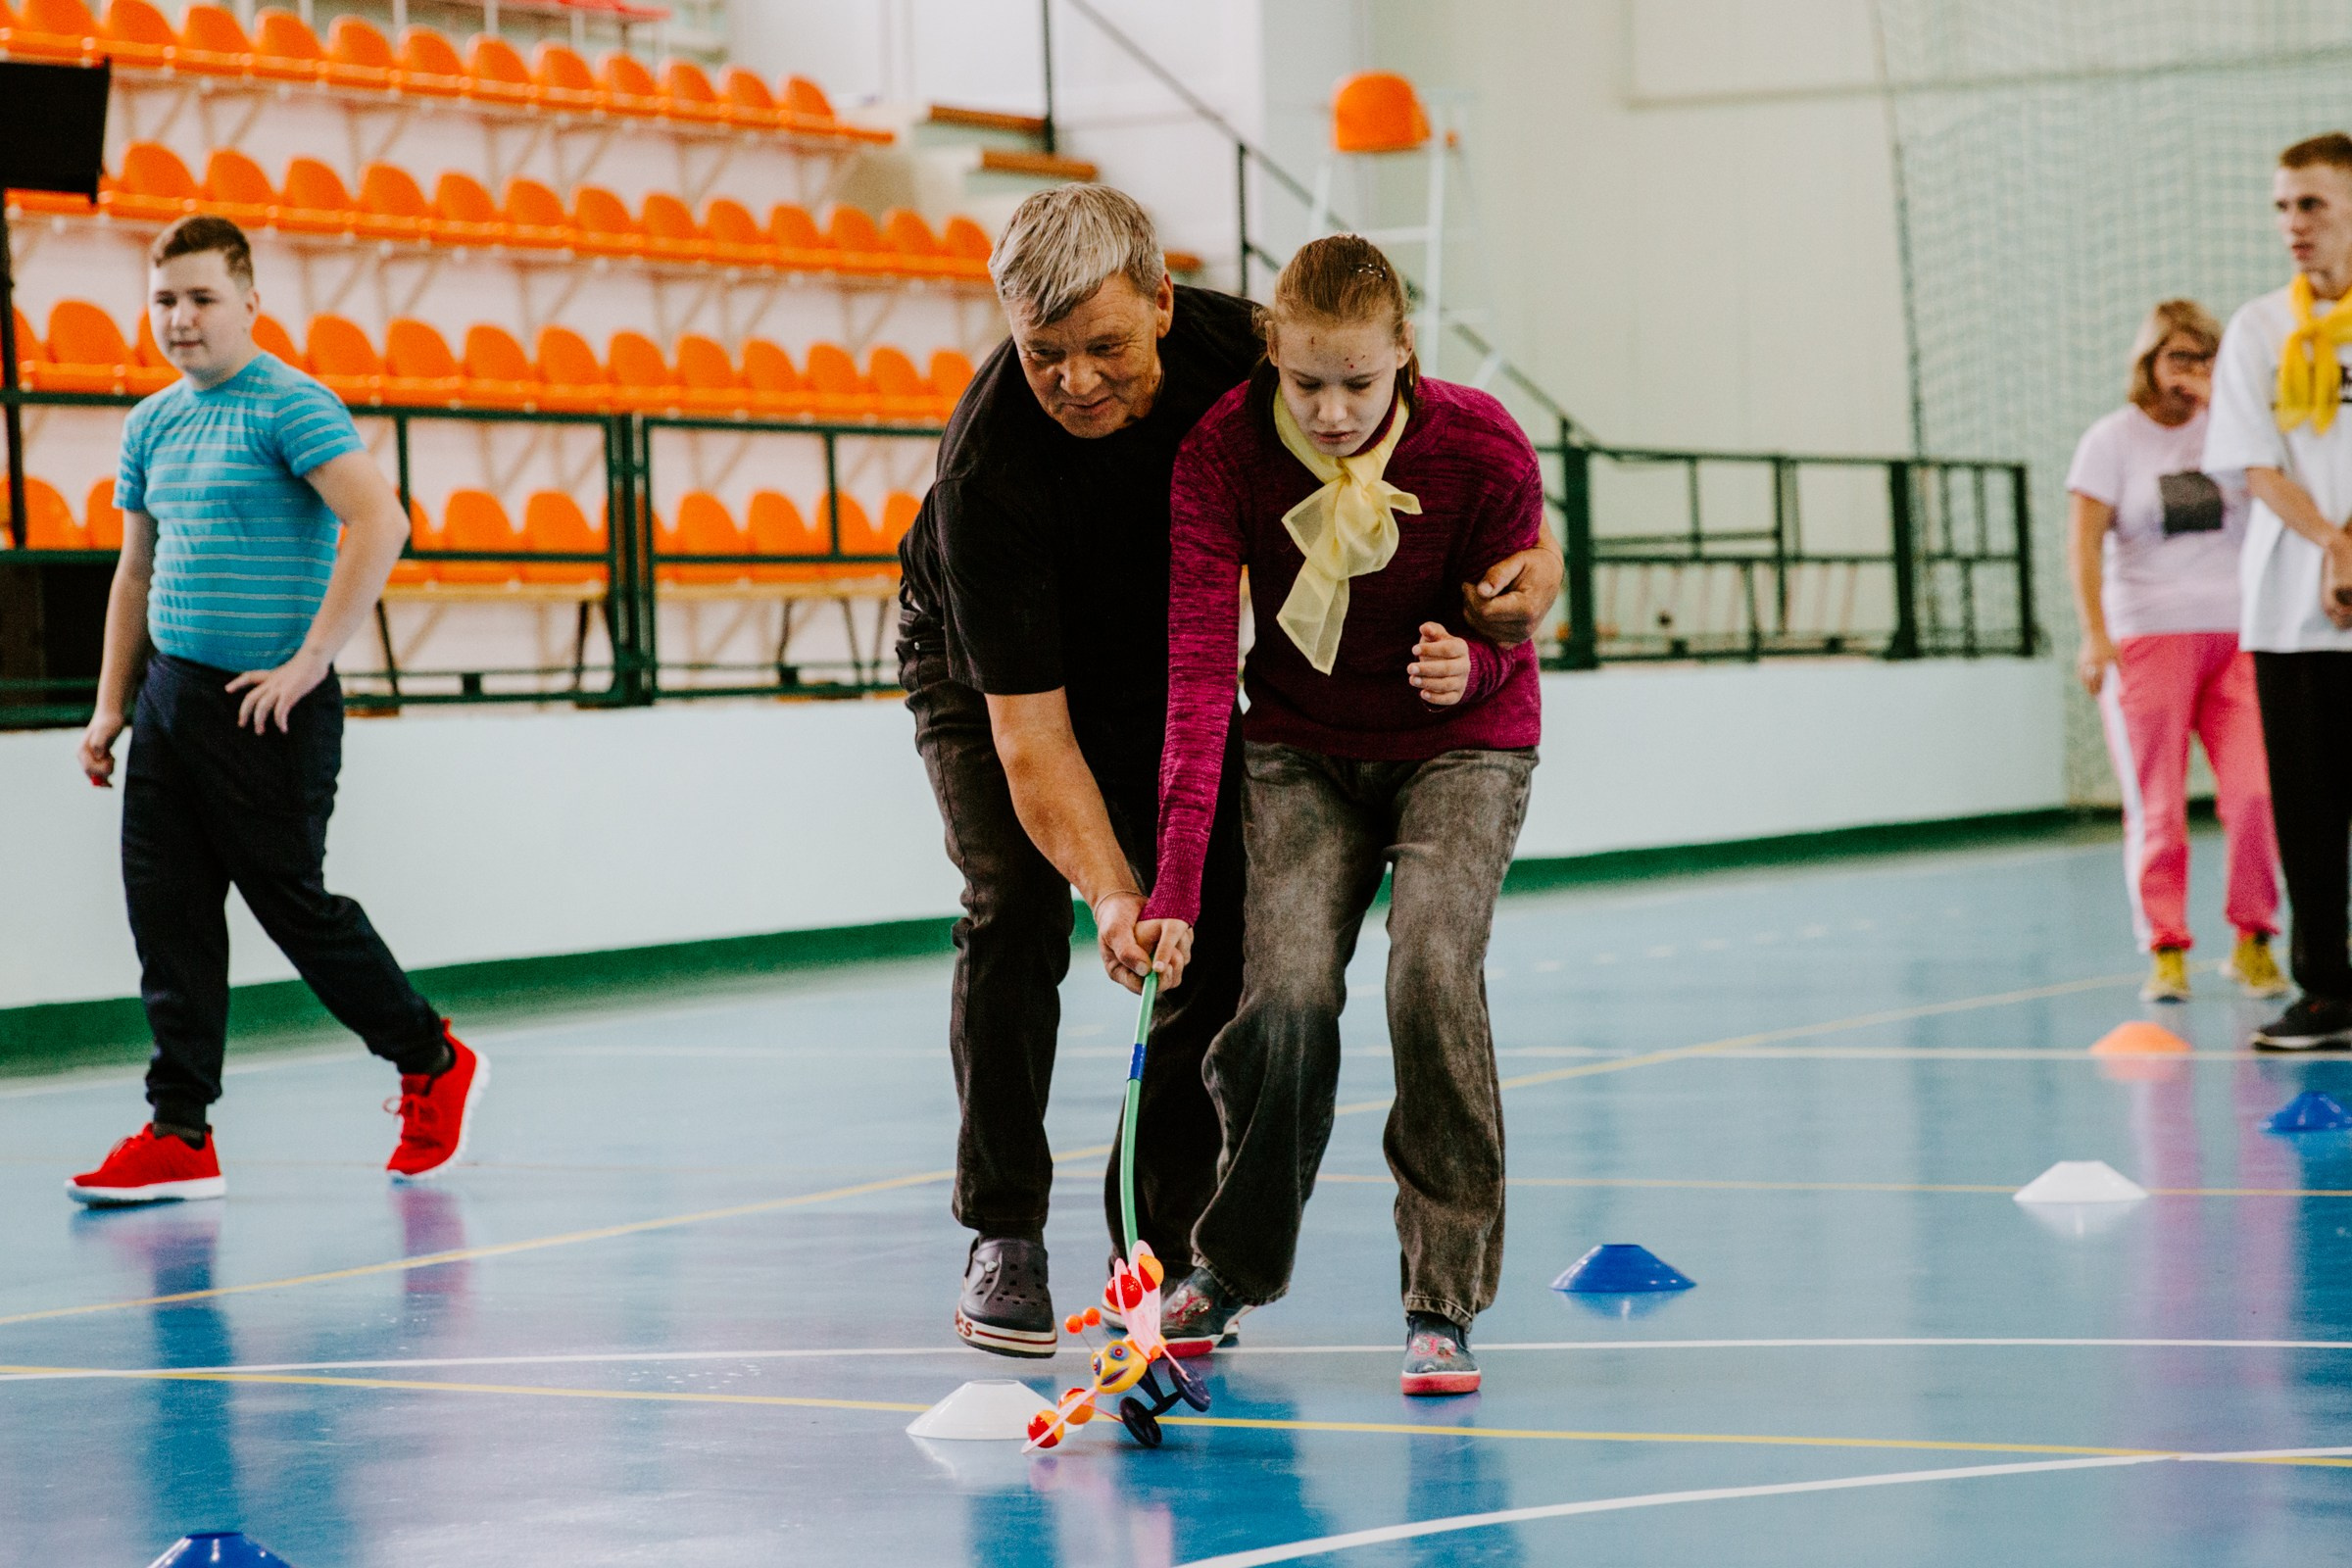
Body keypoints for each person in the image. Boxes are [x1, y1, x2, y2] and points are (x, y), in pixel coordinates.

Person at [896, 188, 1562, 1356]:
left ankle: (1155, 1245)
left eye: (1105, 347)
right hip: (993, 669)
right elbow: (1032, 742)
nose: (1077, 381)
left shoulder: (1249, 355)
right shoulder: (986, 477)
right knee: (1013, 903)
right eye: (1043, 353)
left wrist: (1534, 577)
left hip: (1168, 646)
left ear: (1164, 303)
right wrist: (1110, 890)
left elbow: (1424, 439)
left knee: (1206, 916)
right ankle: (1004, 1228)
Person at [1138, 234, 1544, 1396]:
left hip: (1461, 745)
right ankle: (1231, 1262)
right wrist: (1173, 888)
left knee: (1430, 972)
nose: (1330, 411)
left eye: (1357, 382)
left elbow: (1512, 626)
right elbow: (1199, 676)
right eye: (1305, 380)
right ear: (1271, 350)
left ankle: (1441, 1299)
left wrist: (1469, 666)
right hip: (1301, 749)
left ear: (1404, 351)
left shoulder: (1482, 445)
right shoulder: (1222, 454)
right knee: (1286, 997)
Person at [67, 215, 482, 1204]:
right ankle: (179, 1131)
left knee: (295, 907)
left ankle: (429, 1058)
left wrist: (309, 662)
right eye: (164, 300)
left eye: (202, 298)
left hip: (268, 712)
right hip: (170, 700)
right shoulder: (150, 423)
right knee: (167, 916)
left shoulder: (291, 405)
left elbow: (381, 520)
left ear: (250, 301)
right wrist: (110, 706)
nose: (180, 317)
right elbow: (135, 570)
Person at [2067, 299, 2284, 1004]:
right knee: (2158, 806)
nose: (2190, 371)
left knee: (2254, 796)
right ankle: (2165, 947)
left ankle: (2254, 939)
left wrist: (2227, 407)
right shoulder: (2111, 440)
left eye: (2204, 357)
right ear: (2150, 363)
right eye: (2178, 357)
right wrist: (2096, 633)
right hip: (2147, 637)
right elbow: (2083, 544)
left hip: (2238, 636)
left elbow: (2277, 487)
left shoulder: (2232, 433)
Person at [2205, 133, 2352, 1051]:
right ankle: (2328, 990)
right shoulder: (2258, 328)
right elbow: (2255, 464)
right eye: (2283, 207)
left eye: (2313, 205)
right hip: (2290, 613)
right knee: (2308, 811)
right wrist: (2335, 547)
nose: (2293, 224)